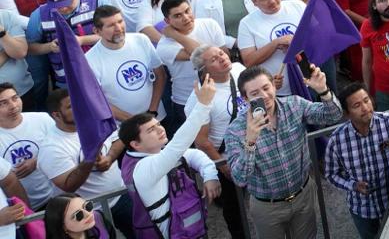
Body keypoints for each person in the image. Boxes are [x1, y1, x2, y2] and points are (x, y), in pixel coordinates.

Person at [224, 63, 342, 239]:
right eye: (255, 93)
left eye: (266, 87)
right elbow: (240, 178)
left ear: (273, 85)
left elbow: (333, 115)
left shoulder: (294, 104)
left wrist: (323, 91)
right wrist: (250, 141)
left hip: (303, 196)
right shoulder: (235, 130)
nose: (264, 96)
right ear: (245, 98)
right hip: (267, 206)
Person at [118, 75, 220, 239]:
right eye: (151, 130)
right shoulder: (143, 168)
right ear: (135, 144)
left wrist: (210, 175)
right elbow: (178, 145)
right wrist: (203, 106)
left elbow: (193, 154)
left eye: (158, 124)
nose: (160, 130)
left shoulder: (151, 153)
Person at [324, 83, 389, 239]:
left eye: (366, 100)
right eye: (357, 105)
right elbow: (331, 174)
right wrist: (353, 185)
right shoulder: (337, 139)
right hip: (362, 209)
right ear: (347, 114)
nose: (365, 108)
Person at [38, 89, 132, 237]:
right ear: (56, 115)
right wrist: (90, 158)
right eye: (71, 106)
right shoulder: (51, 148)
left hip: (121, 196)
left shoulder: (96, 120)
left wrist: (109, 157)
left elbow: (119, 138)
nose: (78, 108)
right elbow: (68, 185)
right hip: (86, 212)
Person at [186, 45, 245, 238]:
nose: (221, 58)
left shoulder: (238, 69)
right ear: (204, 71)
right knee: (234, 207)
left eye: (220, 53)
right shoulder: (200, 98)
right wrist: (222, 165)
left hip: (254, 146)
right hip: (226, 156)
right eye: (213, 59)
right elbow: (201, 141)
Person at [85, 5, 167, 123]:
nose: (118, 28)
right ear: (97, 31)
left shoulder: (141, 40)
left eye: (120, 21)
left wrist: (152, 111)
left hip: (157, 117)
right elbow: (97, 101)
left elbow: (160, 75)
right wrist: (136, 122)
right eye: (111, 25)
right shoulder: (89, 60)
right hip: (124, 127)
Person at [236, 0, 307, 95]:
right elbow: (249, 61)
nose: (272, 1)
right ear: (254, 2)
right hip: (279, 91)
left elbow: (317, 35)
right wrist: (275, 44)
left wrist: (297, 44)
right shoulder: (246, 23)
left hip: (310, 78)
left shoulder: (298, 6)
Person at [0, 82, 58, 209]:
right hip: (20, 207)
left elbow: (64, 148)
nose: (13, 106)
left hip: (56, 198)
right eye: (3, 103)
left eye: (15, 98)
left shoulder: (43, 119)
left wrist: (37, 161)